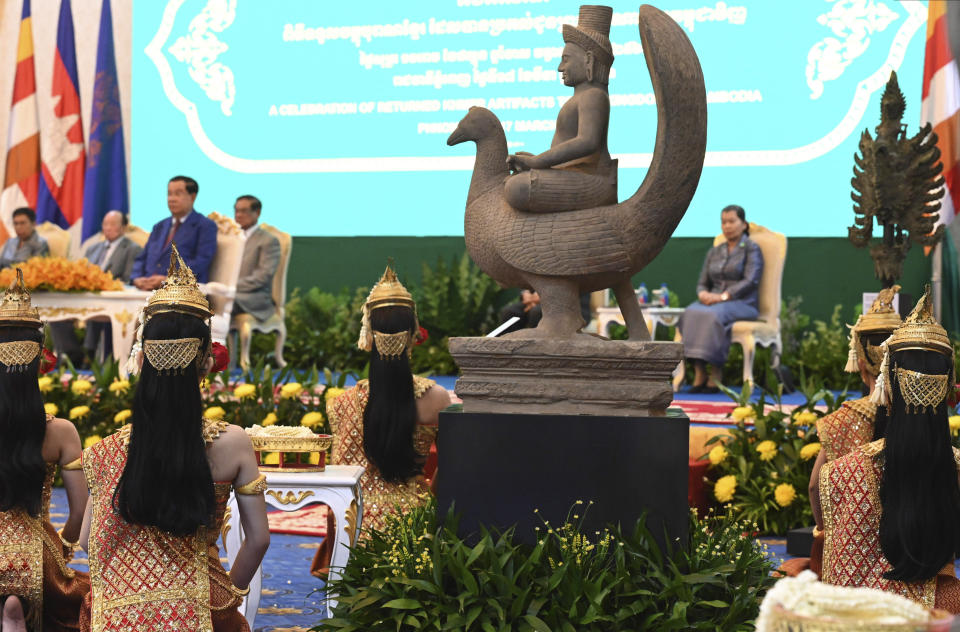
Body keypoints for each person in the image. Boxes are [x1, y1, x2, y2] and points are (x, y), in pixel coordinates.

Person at [78, 246, 270, 631]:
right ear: (205, 361)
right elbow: (259, 539)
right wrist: (227, 598)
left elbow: (86, 542)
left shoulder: (104, 451)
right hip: (200, 607)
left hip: (121, 613)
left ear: (143, 358)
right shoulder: (232, 442)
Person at [820, 288, 960, 612]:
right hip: (938, 616)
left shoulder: (843, 473)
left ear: (889, 383)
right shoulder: (953, 468)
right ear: (947, 386)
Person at [310, 264, 451, 577]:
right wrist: (429, 503)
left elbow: (339, 483)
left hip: (355, 530)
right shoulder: (437, 398)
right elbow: (454, 464)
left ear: (368, 335)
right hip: (415, 531)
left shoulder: (342, 403)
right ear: (414, 333)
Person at [779, 285, 902, 578]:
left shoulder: (842, 419)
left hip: (851, 555)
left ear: (860, 362)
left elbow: (813, 487)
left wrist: (824, 533)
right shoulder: (918, 415)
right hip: (905, 549)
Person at [0, 269, 90, 632]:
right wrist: (61, 552)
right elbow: (81, 510)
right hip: (37, 553)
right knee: (81, 596)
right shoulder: (61, 432)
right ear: (40, 360)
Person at [504, 6, 617, 213]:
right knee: (514, 178)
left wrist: (538, 161)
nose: (560, 67)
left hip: (591, 179)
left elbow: (588, 142)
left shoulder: (594, 96)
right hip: (573, 173)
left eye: (566, 59)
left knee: (517, 188)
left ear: (589, 60)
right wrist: (537, 161)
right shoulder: (584, 96)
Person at [678, 204, 763, 392]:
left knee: (713, 315)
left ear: (744, 224)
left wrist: (723, 297)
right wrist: (703, 294)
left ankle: (716, 372)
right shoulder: (715, 251)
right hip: (713, 301)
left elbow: (751, 280)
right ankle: (699, 371)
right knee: (690, 312)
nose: (727, 226)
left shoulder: (751, 248)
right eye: (724, 222)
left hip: (742, 303)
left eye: (732, 221)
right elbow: (702, 282)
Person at [50, 211, 144, 364]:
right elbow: (82, 272)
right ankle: (71, 354)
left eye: (113, 224)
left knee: (97, 313)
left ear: (123, 228)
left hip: (110, 297)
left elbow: (128, 278)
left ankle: (90, 355)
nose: (108, 228)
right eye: (105, 224)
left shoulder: (132, 248)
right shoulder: (93, 248)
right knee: (56, 313)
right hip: (84, 295)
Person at [130, 176, 217, 290]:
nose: (172, 199)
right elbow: (142, 258)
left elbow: (201, 262)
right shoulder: (159, 226)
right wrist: (136, 278)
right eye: (169, 194)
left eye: (178, 194)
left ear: (192, 197)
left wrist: (168, 280)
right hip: (147, 290)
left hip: (183, 292)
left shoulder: (204, 226)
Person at [232, 195, 281, 321]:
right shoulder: (231, 238)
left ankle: (217, 340)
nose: (238, 215)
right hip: (231, 292)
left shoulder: (268, 240)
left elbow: (262, 277)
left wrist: (230, 286)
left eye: (243, 211)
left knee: (221, 301)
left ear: (257, 213)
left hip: (253, 297)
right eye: (236, 210)